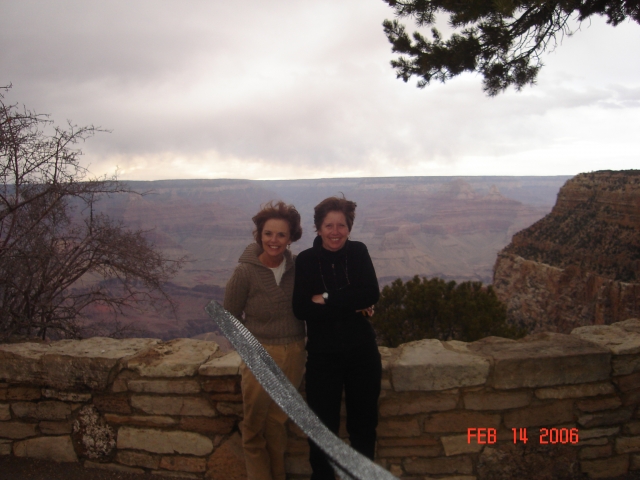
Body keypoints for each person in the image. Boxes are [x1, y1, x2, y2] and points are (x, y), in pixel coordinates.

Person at [292, 196, 381, 480]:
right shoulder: (306, 260)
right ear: (318, 228)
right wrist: (350, 305)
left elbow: (370, 294)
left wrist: (326, 299)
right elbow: (301, 308)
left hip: (362, 355)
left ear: (349, 227)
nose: (335, 232)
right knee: (321, 430)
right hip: (323, 358)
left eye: (341, 225)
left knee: (364, 428)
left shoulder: (358, 252)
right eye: (328, 225)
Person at [223, 201, 307, 480]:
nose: (274, 240)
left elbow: (321, 295)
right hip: (260, 354)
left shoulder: (297, 268)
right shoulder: (244, 273)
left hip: (294, 353)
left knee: (278, 422)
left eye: (281, 235)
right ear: (259, 235)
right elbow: (229, 318)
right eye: (268, 233)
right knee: (254, 425)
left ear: (291, 237)